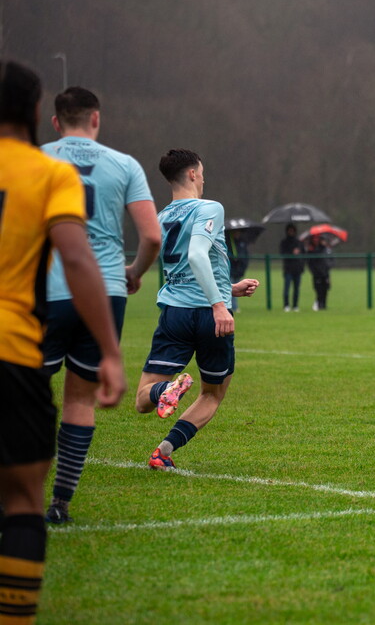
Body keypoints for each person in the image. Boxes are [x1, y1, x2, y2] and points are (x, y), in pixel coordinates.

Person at [0, 60, 125, 625]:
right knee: (22, 501)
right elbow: (76, 259)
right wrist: (113, 352)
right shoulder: (49, 175)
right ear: (34, 114)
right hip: (13, 351)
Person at [40, 86, 161, 525]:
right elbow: (151, 237)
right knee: (80, 401)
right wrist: (134, 272)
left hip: (46, 288)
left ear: (55, 122)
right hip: (105, 290)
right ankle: (60, 504)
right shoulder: (124, 164)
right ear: (96, 119)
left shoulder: (35, 159)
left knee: (22, 397)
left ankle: (11, 497)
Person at [133, 149, 259, 470]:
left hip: (174, 313)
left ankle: (165, 398)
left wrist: (229, 289)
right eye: (201, 173)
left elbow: (181, 273)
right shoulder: (210, 208)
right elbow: (197, 257)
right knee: (212, 395)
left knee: (142, 399)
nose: (203, 179)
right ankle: (164, 449)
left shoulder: (160, 218)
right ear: (192, 174)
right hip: (209, 315)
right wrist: (220, 304)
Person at [303, 232, 333, 310]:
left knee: (325, 289)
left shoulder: (328, 250)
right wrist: (314, 270)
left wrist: (329, 266)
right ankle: (319, 303)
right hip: (317, 273)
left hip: (326, 273)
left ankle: (324, 305)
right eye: (322, 240)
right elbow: (311, 262)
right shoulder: (316, 250)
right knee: (318, 290)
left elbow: (331, 260)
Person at [279, 223, 304, 312]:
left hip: (297, 269)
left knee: (296, 289)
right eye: (290, 231)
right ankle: (286, 305)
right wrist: (292, 252)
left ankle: (295, 305)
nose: (291, 232)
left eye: (293, 231)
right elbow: (282, 253)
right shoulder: (284, 242)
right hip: (288, 269)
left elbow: (303, 254)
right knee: (287, 288)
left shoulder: (299, 242)